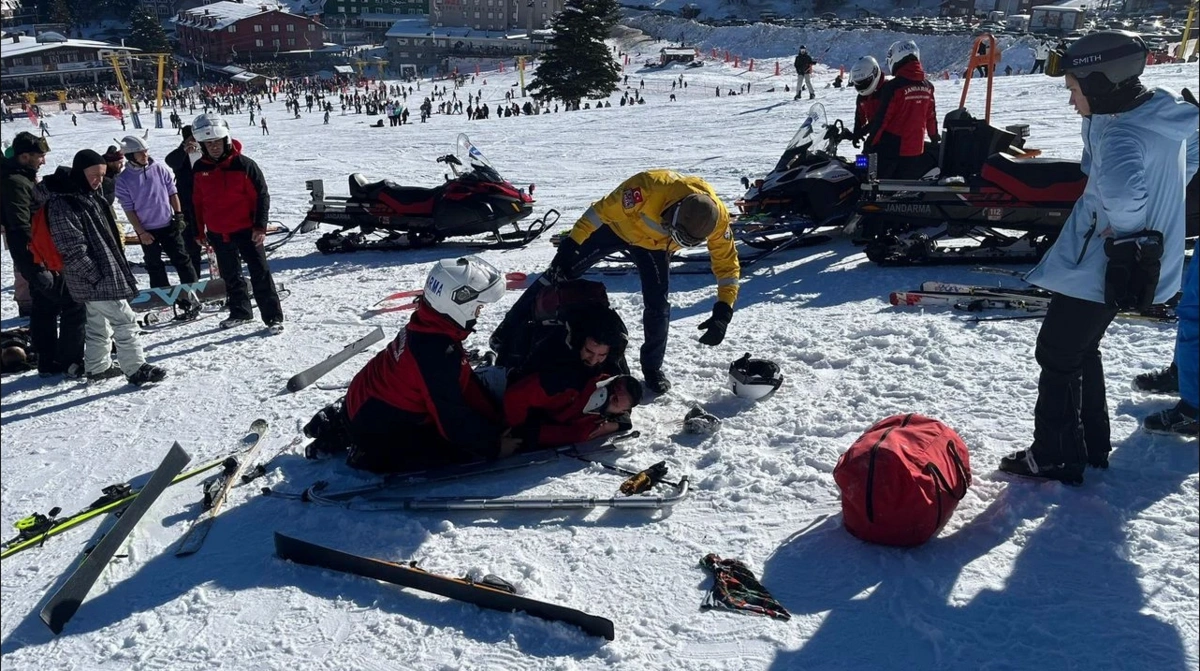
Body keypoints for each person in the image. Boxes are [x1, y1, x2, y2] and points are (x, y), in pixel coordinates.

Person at [999, 31, 1199, 483]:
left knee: (1057, 352)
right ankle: (1089, 445)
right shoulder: (1157, 109)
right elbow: (1191, 151)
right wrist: (1159, 204)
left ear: (1101, 82)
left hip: (1109, 265)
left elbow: (1124, 193)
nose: (1070, 100)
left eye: (1074, 88)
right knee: (1079, 348)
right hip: (1138, 261)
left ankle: (1054, 456)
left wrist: (1126, 231)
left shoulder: (1123, 136)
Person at [490, 170, 739, 394]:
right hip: (616, 228)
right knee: (556, 274)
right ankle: (507, 330)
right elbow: (599, 212)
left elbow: (727, 265)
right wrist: (573, 243)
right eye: (677, 235)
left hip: (654, 248)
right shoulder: (648, 187)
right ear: (674, 210)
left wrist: (723, 310)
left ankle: (652, 369)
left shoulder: (718, 221)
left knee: (658, 305)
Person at [339, 257, 514, 473]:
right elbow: (453, 421)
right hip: (373, 429)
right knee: (455, 451)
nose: (480, 312)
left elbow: (462, 383)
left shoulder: (429, 325)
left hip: (361, 402)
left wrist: (497, 418)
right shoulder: (435, 353)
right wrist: (494, 445)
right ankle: (367, 456)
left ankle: (338, 428)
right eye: (478, 306)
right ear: (458, 302)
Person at [44, 149, 165, 385]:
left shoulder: (86, 195)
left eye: (102, 175)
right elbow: (71, 248)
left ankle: (98, 367)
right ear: (80, 173)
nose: (99, 180)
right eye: (94, 175)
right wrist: (96, 276)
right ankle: (135, 368)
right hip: (92, 277)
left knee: (98, 323)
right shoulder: (63, 204)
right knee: (125, 319)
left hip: (98, 274)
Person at [190, 113, 284, 334]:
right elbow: (195, 202)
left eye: (217, 142)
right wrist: (199, 230)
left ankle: (272, 317)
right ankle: (240, 312)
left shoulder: (244, 165)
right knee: (230, 275)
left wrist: (260, 227)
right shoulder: (199, 170)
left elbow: (261, 196)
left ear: (226, 140)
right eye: (208, 143)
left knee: (259, 272)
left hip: (247, 231)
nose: (213, 147)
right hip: (218, 232)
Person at [1, 132, 85, 377]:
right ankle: (68, 358)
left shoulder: (21, 177)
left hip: (36, 256)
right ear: (24, 156)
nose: (43, 161)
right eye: (39, 157)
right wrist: (42, 258)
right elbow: (21, 226)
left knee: (45, 306)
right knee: (72, 302)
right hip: (35, 258)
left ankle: (48, 361)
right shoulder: (15, 182)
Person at [114, 135, 201, 312]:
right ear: (130, 156)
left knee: (182, 259)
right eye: (140, 153)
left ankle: (192, 293)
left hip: (168, 224)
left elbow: (172, 192)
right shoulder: (123, 180)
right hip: (147, 230)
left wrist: (178, 215)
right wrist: (141, 232)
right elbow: (128, 209)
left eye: (146, 151)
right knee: (154, 264)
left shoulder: (159, 168)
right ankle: (162, 298)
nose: (145, 155)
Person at [867, 40, 940, 180]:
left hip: (892, 149)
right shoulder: (928, 87)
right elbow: (931, 116)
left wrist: (870, 144)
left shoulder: (894, 87)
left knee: (874, 182)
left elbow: (882, 119)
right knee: (904, 183)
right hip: (916, 148)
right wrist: (934, 137)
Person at [164, 125, 205, 276]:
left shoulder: (204, 151)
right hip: (187, 207)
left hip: (206, 204)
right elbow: (170, 161)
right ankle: (195, 281)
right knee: (191, 247)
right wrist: (184, 149)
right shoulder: (179, 155)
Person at [850, 56, 887, 147]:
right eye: (858, 83)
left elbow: (883, 118)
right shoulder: (862, 97)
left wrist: (863, 131)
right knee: (865, 159)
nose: (862, 86)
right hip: (875, 136)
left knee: (868, 155)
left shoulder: (888, 90)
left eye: (865, 82)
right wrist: (856, 132)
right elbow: (859, 116)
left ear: (875, 73)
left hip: (892, 136)